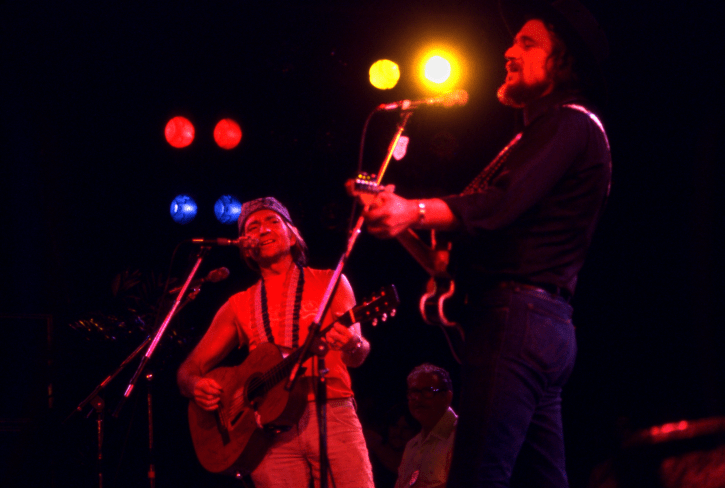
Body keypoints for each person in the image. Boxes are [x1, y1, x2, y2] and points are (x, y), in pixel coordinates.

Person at [361, 0, 612, 486]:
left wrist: (411, 208)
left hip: (518, 319)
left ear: (562, 61)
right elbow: (445, 263)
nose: (508, 51)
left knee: (478, 475)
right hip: (539, 324)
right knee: (542, 479)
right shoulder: (536, 137)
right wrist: (395, 219)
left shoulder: (571, 123)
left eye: (527, 42)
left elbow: (501, 203)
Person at [177, 196, 374, 488]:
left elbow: (359, 354)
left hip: (331, 414)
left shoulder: (332, 282)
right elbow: (189, 369)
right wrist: (195, 385)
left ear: (293, 236)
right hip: (265, 430)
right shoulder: (237, 304)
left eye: (273, 221)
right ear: (245, 246)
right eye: (253, 226)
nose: (264, 230)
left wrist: (351, 345)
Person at [395, 363, 457, 488]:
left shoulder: (461, 436)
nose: (417, 398)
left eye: (427, 391)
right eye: (413, 392)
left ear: (447, 397)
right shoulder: (412, 445)